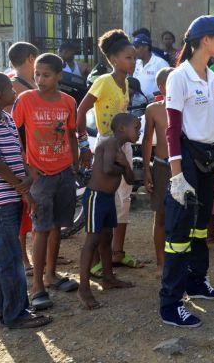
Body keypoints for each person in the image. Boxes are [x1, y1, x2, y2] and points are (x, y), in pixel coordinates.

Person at [160, 15, 214, 328]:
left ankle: (196, 281)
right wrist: (176, 175)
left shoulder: (213, 76)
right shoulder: (179, 77)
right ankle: (170, 303)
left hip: (208, 158)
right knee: (179, 232)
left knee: (200, 225)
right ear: (205, 40)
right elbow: (172, 128)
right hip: (187, 159)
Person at [0, 71, 51, 329]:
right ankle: (16, 314)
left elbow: (14, 155)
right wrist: (23, 187)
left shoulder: (6, 118)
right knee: (10, 257)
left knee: (1, 254)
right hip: (2, 198)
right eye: (11, 89)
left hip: (12, 194)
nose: (15, 92)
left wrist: (27, 181)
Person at [12, 53, 80, 311]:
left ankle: (51, 275)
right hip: (39, 175)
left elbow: (71, 133)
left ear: (59, 76)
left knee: (57, 226)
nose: (39, 79)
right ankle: (37, 286)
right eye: (37, 74)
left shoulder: (68, 102)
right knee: (40, 228)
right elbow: (14, 134)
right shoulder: (25, 100)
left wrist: (74, 163)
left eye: (46, 75)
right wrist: (27, 167)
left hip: (63, 172)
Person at [76, 29, 143, 271]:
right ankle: (94, 261)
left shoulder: (125, 83)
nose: (133, 62)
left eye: (134, 57)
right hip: (105, 145)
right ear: (113, 59)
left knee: (123, 200)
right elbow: (81, 111)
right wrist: (84, 144)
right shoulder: (103, 81)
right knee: (102, 200)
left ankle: (117, 253)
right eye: (128, 57)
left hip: (123, 146)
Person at [77, 113, 138, 309]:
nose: (139, 131)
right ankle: (83, 288)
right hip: (96, 197)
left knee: (106, 238)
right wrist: (123, 165)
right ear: (122, 128)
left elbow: (130, 179)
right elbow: (107, 168)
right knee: (92, 240)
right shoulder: (110, 143)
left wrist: (125, 164)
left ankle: (108, 277)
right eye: (136, 128)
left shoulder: (120, 149)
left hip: (107, 198)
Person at [6, 42, 39, 276]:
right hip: (20, 154)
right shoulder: (12, 86)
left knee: (35, 206)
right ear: (30, 58)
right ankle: (23, 257)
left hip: (34, 152)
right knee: (23, 206)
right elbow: (11, 126)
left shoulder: (32, 83)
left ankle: (37, 252)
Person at [143, 67, 174, 278]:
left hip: (184, 166)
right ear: (162, 86)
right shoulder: (153, 109)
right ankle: (161, 263)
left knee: (184, 217)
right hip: (162, 166)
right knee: (161, 216)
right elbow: (147, 140)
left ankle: (181, 262)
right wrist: (147, 170)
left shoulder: (188, 107)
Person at [133, 34, 170, 99]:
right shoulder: (136, 63)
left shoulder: (161, 63)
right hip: (135, 105)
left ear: (146, 47)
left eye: (137, 47)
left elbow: (169, 86)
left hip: (153, 105)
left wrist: (154, 98)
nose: (134, 50)